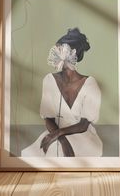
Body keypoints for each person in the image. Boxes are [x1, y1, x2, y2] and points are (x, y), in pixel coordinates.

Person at [21, 28, 103, 157]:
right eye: (56, 50)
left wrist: (58, 134)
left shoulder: (90, 84)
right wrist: (61, 139)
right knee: (32, 154)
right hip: (56, 133)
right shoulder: (49, 80)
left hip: (82, 136)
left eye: (59, 50)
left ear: (72, 53)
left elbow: (83, 125)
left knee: (55, 151)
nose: (55, 54)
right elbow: (48, 118)